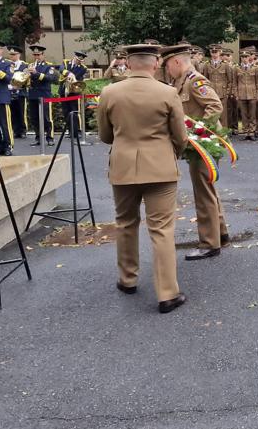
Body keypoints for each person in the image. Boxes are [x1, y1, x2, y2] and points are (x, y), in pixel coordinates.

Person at [97, 43, 188, 314]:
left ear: (128, 63)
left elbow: (105, 135)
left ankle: (127, 279)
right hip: (160, 167)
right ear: (155, 63)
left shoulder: (109, 92)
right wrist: (174, 152)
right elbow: (180, 136)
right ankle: (167, 293)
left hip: (123, 166)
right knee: (161, 229)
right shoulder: (168, 92)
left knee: (125, 222)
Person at [161, 42, 229, 261]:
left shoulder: (194, 81)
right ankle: (220, 233)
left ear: (177, 61)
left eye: (168, 65)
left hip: (203, 144)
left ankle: (209, 243)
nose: (167, 70)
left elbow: (215, 106)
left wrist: (198, 131)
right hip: (199, 145)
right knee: (207, 190)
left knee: (203, 193)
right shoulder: (181, 80)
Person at [26, 45, 57, 147]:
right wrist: (26, 74)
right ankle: (38, 138)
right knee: (34, 118)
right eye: (34, 55)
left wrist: (37, 73)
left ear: (43, 55)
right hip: (33, 94)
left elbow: (51, 78)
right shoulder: (30, 65)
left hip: (44, 94)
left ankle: (50, 137)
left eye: (38, 55)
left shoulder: (48, 66)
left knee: (46, 117)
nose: (36, 57)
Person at [234, 48, 258, 140]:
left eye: (246, 56)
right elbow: (235, 83)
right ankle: (246, 132)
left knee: (252, 114)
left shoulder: (255, 68)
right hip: (241, 94)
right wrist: (236, 94)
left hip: (252, 94)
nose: (244, 58)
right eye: (242, 57)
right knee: (244, 114)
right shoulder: (237, 68)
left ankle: (252, 132)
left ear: (249, 57)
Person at [58, 51, 89, 139]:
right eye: (78, 59)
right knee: (66, 112)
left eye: (81, 60)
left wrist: (71, 75)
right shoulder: (65, 62)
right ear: (74, 57)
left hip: (74, 92)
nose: (79, 61)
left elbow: (77, 76)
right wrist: (68, 73)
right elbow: (61, 69)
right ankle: (70, 130)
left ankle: (77, 131)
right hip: (63, 91)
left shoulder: (83, 68)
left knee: (75, 111)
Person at [7, 45, 29, 139]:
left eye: (14, 54)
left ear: (19, 54)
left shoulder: (25, 65)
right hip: (9, 91)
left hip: (20, 92)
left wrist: (19, 85)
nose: (12, 56)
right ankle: (15, 130)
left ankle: (22, 130)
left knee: (21, 112)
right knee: (12, 112)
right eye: (11, 54)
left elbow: (26, 78)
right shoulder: (7, 64)